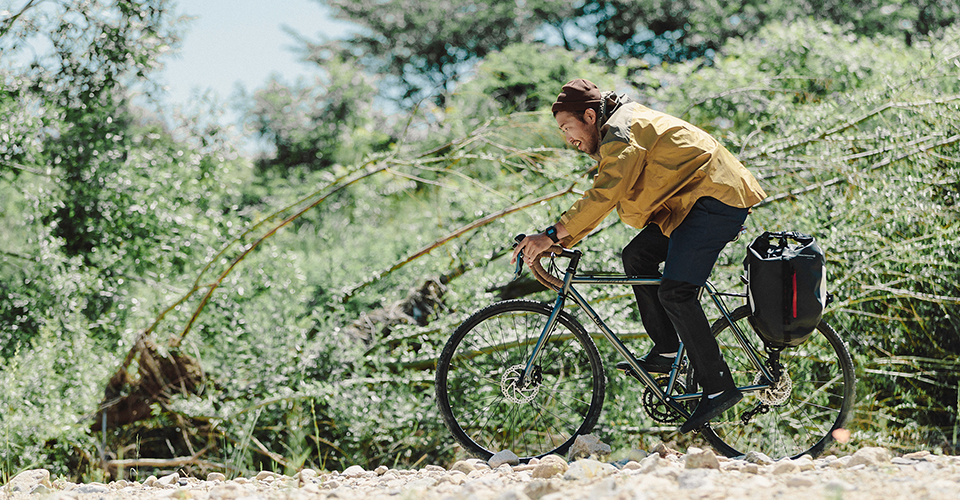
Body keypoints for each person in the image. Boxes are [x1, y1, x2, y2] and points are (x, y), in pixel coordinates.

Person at [511, 79, 767, 433]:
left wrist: (554, 234)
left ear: (589, 115)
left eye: (567, 127)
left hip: (715, 198)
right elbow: (607, 197)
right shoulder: (618, 127)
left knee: (676, 291)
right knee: (636, 257)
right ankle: (666, 349)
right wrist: (561, 240)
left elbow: (606, 193)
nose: (566, 138)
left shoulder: (621, 131)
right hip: (690, 203)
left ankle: (719, 384)